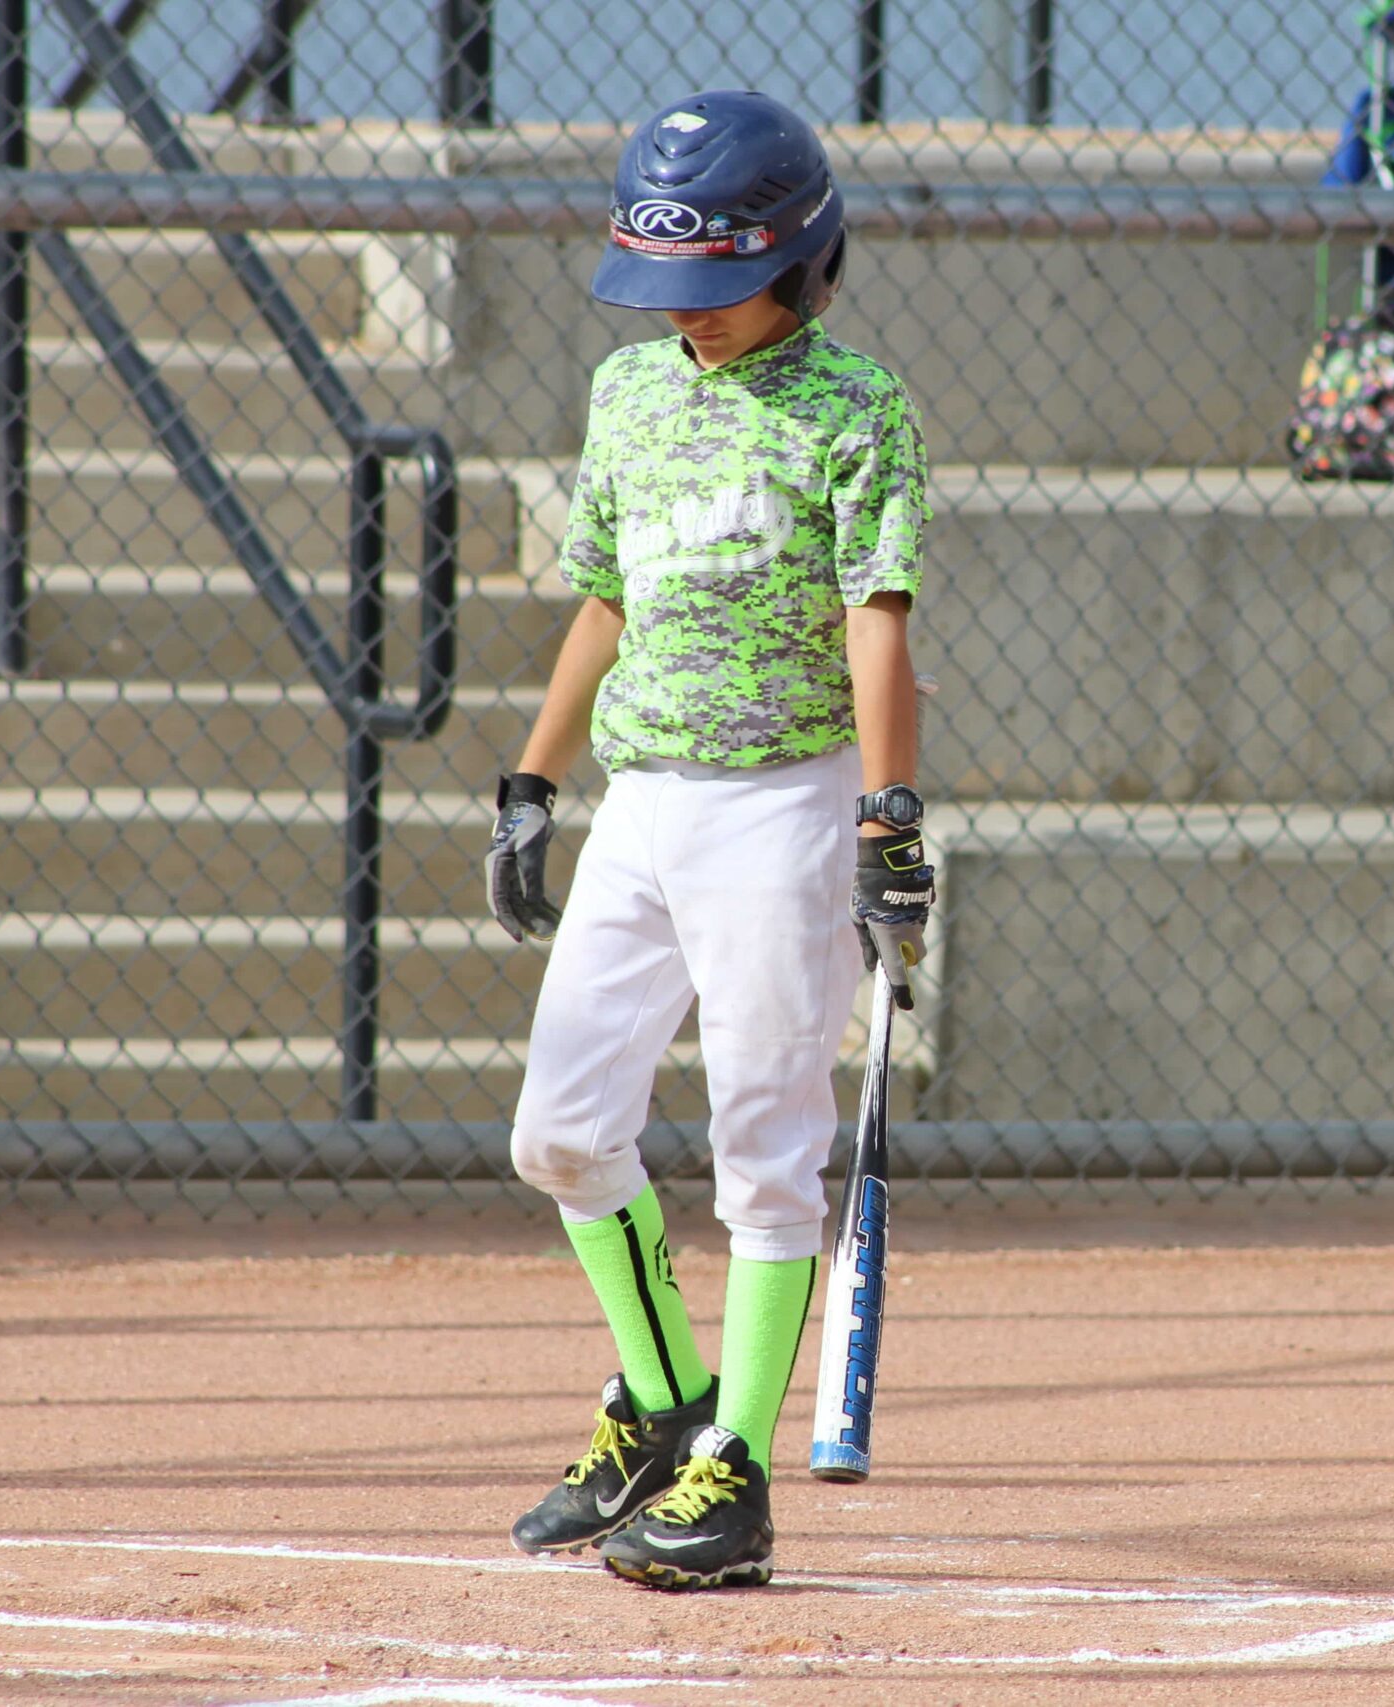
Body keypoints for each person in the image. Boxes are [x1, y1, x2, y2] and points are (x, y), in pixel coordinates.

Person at [483, 88, 932, 1592]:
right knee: (559, 1127)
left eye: (724, 287)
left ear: (807, 262)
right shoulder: (630, 393)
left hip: (782, 803)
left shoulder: (857, 409)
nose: (696, 320)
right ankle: (665, 1393)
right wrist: (531, 782)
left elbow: (881, 621)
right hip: (645, 800)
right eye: (669, 290)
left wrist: (887, 810)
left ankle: (732, 1463)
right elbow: (603, 601)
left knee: (764, 1143)